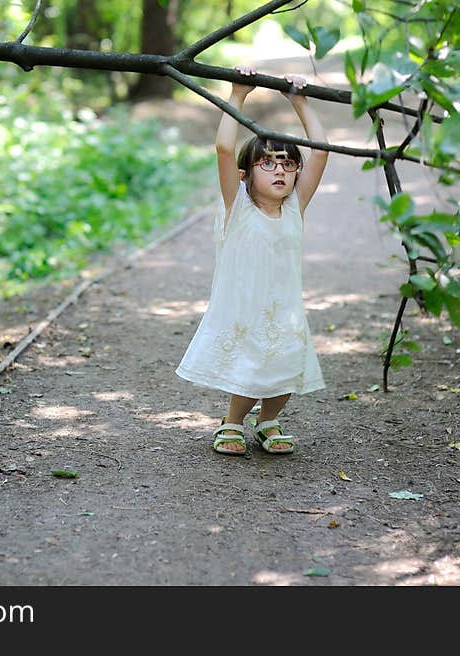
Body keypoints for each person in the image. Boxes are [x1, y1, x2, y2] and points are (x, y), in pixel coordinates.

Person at [175, 64, 328, 456]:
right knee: (249, 370)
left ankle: (268, 421)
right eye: (268, 162)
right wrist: (238, 94)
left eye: (288, 163)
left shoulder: (295, 208)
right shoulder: (237, 208)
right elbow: (225, 148)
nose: (280, 169)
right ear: (245, 175)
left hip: (286, 312)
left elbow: (321, 150)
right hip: (244, 310)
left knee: (287, 370)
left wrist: (300, 102)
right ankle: (232, 422)